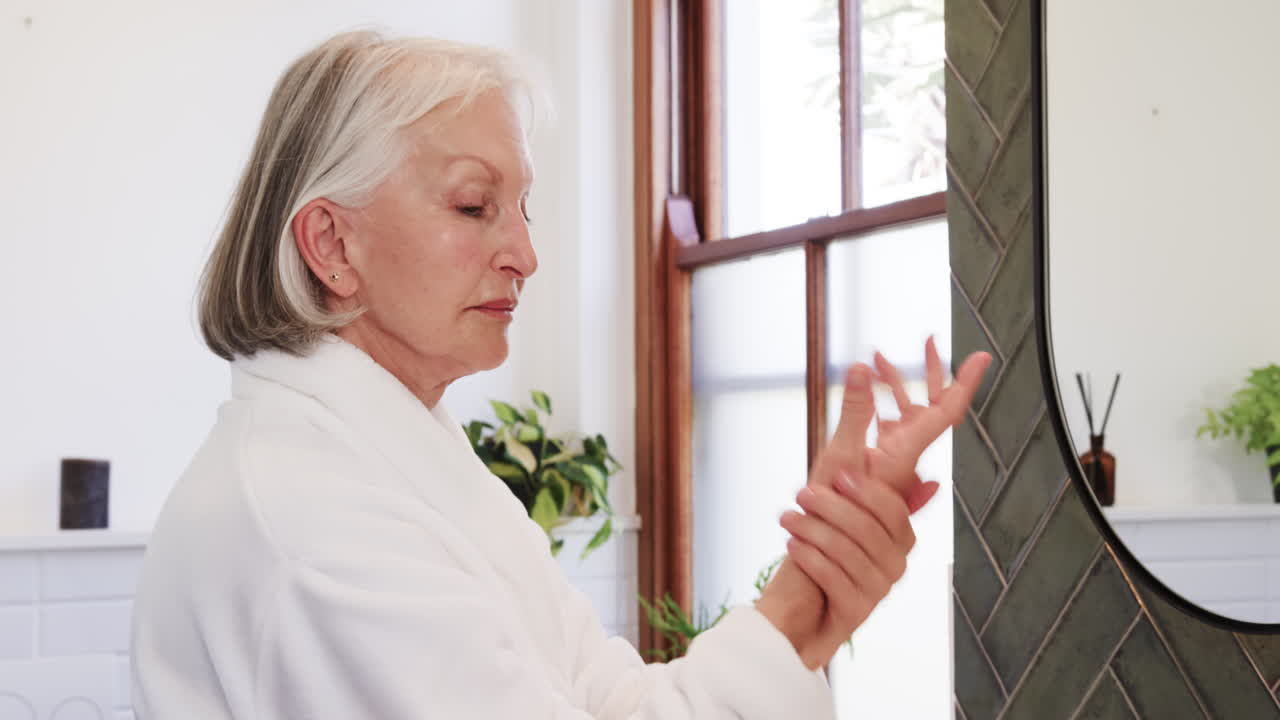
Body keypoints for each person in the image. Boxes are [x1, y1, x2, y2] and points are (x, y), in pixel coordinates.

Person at [130, 30, 990, 719]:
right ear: (332, 244)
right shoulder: (311, 518)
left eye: (523, 208)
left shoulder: (411, 473)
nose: (526, 254)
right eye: (474, 205)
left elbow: (614, 704)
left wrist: (820, 582)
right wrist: (810, 596)